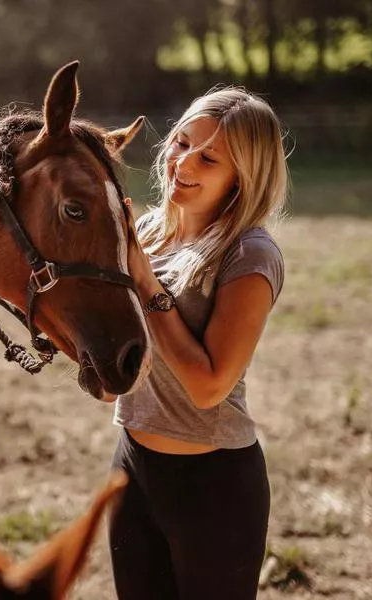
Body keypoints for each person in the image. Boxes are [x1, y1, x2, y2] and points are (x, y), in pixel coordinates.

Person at [105, 87, 289, 600]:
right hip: (132, 464)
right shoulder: (147, 232)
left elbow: (209, 385)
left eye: (208, 158)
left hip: (214, 486)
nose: (182, 162)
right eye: (182, 143)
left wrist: (146, 285)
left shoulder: (248, 254)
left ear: (242, 177)